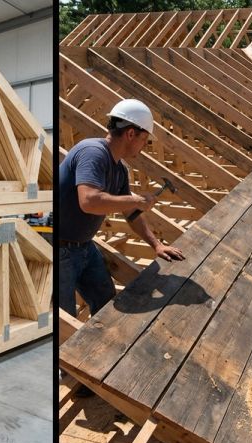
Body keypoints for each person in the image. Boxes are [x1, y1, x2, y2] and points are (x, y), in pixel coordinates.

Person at [58, 99, 184, 318]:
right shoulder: (93, 153)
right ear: (130, 134)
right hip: (59, 247)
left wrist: (155, 244)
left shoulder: (119, 169)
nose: (144, 147)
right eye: (144, 140)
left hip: (84, 246)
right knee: (65, 317)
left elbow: (130, 214)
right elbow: (89, 201)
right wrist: (135, 200)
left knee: (105, 298)